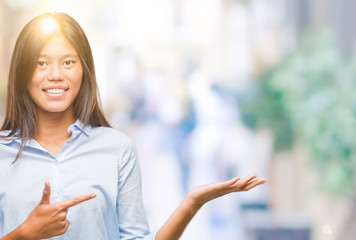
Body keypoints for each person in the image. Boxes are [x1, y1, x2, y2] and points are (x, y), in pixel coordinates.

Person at [0, 12, 267, 240]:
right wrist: (22, 234)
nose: (56, 74)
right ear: (23, 72)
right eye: (41, 63)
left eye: (68, 62)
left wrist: (191, 203)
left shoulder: (117, 149)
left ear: (84, 70)